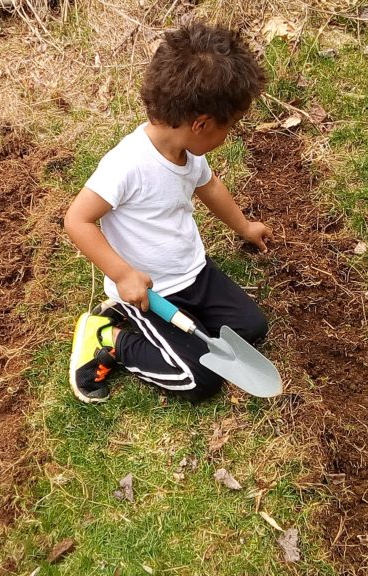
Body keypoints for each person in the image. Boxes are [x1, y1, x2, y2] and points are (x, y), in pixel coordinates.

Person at [64, 21, 272, 403]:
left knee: (252, 327)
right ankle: (110, 337)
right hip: (152, 294)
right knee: (198, 380)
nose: (230, 136)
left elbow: (208, 186)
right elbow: (77, 220)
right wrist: (123, 274)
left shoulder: (188, 152)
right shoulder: (126, 165)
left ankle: (177, 330)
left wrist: (244, 227)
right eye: (231, 127)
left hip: (196, 273)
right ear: (201, 124)